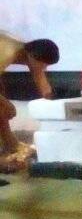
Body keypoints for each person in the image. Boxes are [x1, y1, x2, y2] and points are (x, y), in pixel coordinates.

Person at [0, 32, 58, 172]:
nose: (44, 69)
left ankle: (11, 144)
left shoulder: (30, 53)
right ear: (32, 56)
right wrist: (7, 104)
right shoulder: (6, 52)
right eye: (43, 65)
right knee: (3, 106)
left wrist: (56, 111)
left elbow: (43, 84)